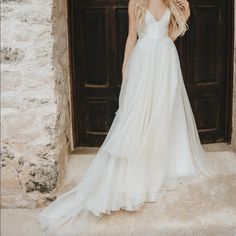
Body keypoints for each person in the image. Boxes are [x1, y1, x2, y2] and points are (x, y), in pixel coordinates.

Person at [38, 0, 217, 235]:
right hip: (143, 62)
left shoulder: (170, 2)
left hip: (166, 61)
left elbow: (171, 35)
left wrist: (187, 12)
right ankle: (139, 162)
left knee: (163, 111)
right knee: (139, 114)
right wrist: (126, 67)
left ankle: (160, 162)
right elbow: (132, 37)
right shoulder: (136, 2)